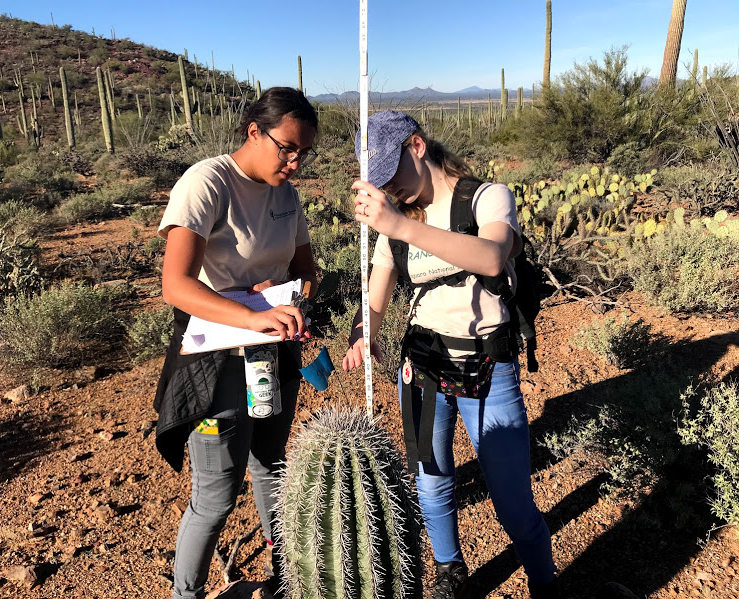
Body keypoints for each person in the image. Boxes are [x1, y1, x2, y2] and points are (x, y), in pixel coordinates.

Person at [342, 111, 557, 599]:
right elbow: (374, 299)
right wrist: (364, 333)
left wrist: (400, 225)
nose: (390, 189)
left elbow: (491, 257)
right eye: (378, 183)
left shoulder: (486, 197)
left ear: (416, 146)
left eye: (390, 174)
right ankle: (449, 571)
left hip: (487, 366)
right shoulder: (393, 222)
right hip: (421, 366)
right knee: (432, 479)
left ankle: (544, 583)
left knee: (512, 500)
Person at [154, 87, 318, 599]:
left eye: (304, 153)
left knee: (272, 465)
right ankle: (187, 595)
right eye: (287, 148)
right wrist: (251, 313)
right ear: (254, 131)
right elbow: (176, 285)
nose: (294, 163)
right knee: (216, 494)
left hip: (272, 354)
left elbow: (307, 272)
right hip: (213, 362)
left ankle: (289, 577)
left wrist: (295, 300)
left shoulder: (285, 196)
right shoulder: (207, 182)